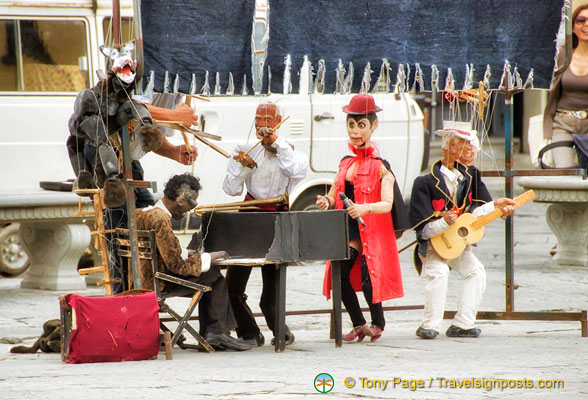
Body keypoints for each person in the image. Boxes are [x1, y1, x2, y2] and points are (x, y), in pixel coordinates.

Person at [409, 122, 516, 339]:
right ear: (447, 147)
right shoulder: (424, 182)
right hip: (434, 243)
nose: (468, 152)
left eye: (470, 147)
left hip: (458, 244)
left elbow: (474, 214)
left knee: (476, 272)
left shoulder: (470, 177)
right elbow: (423, 228)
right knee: (439, 274)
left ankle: (463, 323)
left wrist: (494, 206)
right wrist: (444, 223)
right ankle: (430, 324)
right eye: (461, 146)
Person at [316, 94, 408, 342]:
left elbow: (387, 204)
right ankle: (359, 323)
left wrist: (365, 208)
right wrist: (325, 200)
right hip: (347, 229)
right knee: (340, 276)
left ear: (373, 126)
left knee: (370, 277)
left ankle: (378, 323)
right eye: (351, 125)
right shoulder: (345, 163)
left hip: (372, 229)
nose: (355, 131)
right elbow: (333, 191)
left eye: (361, 125)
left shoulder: (381, 166)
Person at [222, 102, 309, 347]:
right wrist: (243, 168)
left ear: (279, 121)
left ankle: (281, 332)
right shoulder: (244, 148)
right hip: (248, 214)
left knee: (270, 293)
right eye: (259, 119)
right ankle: (249, 332)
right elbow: (230, 189)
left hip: (277, 218)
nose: (263, 124)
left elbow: (294, 170)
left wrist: (277, 143)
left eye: (269, 119)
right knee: (233, 285)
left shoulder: (291, 151)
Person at [135, 173, 252, 351]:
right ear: (182, 199)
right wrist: (209, 257)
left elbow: (164, 250)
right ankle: (216, 333)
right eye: (192, 203)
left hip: (144, 278)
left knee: (208, 275)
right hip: (160, 282)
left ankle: (214, 333)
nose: (189, 210)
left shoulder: (143, 213)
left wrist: (190, 253)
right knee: (215, 278)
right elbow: (176, 266)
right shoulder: (161, 219)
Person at [543, 4, 588, 168]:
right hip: (563, 122)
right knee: (563, 172)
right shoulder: (562, 54)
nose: (586, 25)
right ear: (572, 27)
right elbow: (550, 89)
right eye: (581, 20)